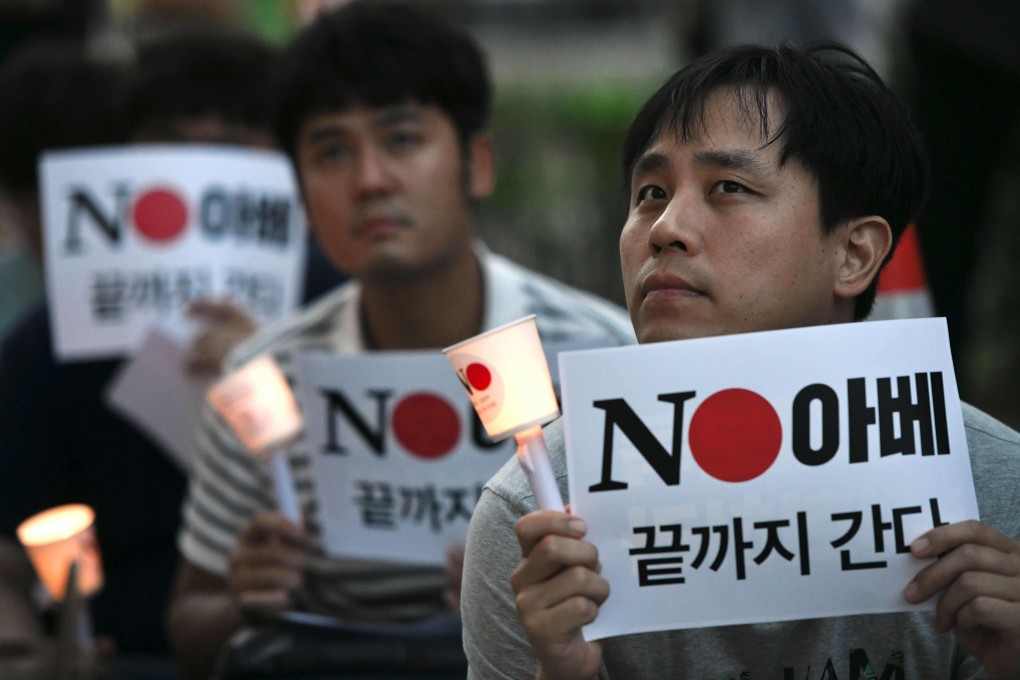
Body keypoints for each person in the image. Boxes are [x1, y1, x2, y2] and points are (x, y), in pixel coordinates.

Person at [461, 42, 1020, 679]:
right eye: (649, 192)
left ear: (855, 255)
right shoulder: (538, 523)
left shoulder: (996, 495)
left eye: (729, 187)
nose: (666, 227)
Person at [166, 2, 636, 678]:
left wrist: (511, 598)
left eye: (403, 139)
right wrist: (246, 596)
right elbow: (191, 625)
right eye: (332, 152)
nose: (370, 180)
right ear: (300, 189)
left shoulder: (599, 356)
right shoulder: (263, 378)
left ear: (476, 163)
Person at [0, 25, 294, 680]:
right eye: (174, 143)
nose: (201, 175)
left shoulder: (345, 310)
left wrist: (267, 379)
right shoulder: (50, 343)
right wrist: (25, 655)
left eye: (232, 143)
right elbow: (9, 553)